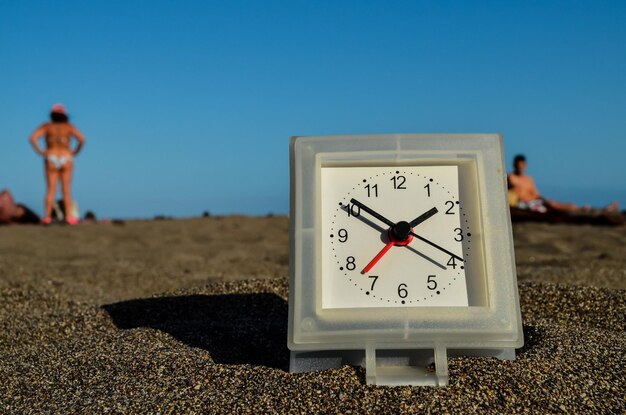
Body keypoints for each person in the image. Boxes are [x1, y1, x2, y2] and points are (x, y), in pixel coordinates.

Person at [29, 104, 85, 225]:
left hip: (51, 156)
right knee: (66, 189)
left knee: (50, 190)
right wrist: (75, 152)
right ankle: (69, 217)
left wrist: (41, 151)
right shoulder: (69, 127)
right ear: (64, 114)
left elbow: (33, 138)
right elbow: (82, 139)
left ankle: (47, 217)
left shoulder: (47, 126)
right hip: (66, 156)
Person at [507, 154, 618, 214]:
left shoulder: (528, 178)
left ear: (525, 165)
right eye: (519, 165)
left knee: (556, 204)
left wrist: (545, 199)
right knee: (556, 206)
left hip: (536, 201)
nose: (521, 167)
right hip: (524, 204)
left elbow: (536, 193)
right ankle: (596, 210)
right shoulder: (510, 177)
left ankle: (595, 210)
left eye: (523, 165)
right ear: (514, 165)